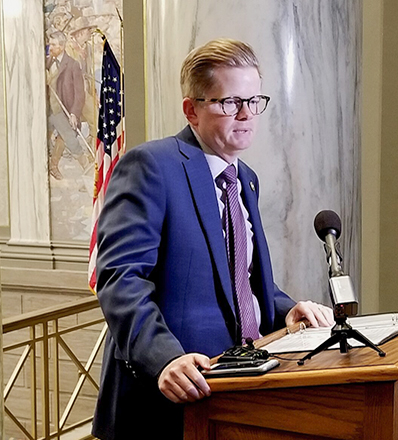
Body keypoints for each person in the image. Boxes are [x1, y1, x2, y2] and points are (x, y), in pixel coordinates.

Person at [92, 38, 335, 440]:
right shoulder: (153, 166)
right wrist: (164, 358)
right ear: (192, 110)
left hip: (240, 391)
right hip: (172, 400)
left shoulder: (246, 180)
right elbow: (121, 279)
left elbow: (240, 280)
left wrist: (289, 309)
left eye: (254, 100)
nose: (246, 114)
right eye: (229, 102)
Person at [46, 31, 89, 179]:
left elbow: (79, 93)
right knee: (58, 138)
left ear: (62, 46)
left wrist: (74, 113)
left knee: (68, 137)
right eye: (49, 44)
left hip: (60, 110)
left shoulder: (72, 65)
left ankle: (87, 168)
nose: (50, 47)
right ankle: (52, 166)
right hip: (46, 110)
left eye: (53, 45)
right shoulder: (46, 62)